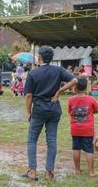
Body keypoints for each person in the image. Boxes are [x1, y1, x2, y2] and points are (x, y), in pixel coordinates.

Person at [24, 46, 78, 180]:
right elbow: (75, 80)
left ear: (40, 58)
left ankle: (32, 171)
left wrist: (28, 112)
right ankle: (49, 172)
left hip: (39, 109)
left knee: (32, 140)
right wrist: (59, 91)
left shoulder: (33, 73)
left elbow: (29, 96)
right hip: (54, 109)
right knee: (52, 141)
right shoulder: (58, 70)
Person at [68, 77, 98, 177]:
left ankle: (77, 170)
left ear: (75, 88)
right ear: (86, 88)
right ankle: (91, 172)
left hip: (75, 129)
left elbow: (70, 112)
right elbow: (97, 110)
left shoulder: (70, 100)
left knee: (76, 148)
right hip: (87, 130)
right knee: (89, 150)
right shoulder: (91, 99)